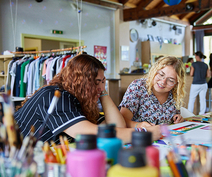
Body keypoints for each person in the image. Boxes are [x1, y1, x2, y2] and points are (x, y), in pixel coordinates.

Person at [14, 54, 161, 144]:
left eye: (103, 81)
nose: (101, 87)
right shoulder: (54, 96)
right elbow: (91, 132)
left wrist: (103, 92)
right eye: (96, 82)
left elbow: (118, 127)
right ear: (81, 82)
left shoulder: (79, 99)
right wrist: (145, 134)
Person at [119, 56, 186, 128]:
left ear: (176, 84)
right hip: (139, 137)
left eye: (171, 80)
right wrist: (139, 125)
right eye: (161, 74)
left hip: (164, 137)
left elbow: (171, 120)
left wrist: (177, 118)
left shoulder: (174, 93)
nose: (163, 82)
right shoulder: (137, 87)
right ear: (154, 71)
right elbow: (120, 121)